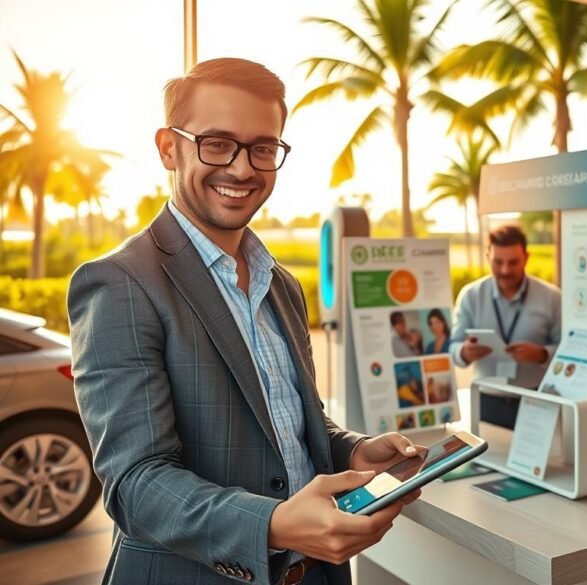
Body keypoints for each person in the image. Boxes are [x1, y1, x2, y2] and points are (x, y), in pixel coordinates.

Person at [68, 58, 422, 585]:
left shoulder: (280, 284)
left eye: (262, 147)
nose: (242, 168)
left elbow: (291, 424)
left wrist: (353, 448)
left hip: (317, 574)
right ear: (169, 147)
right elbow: (136, 485)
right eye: (216, 142)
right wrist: (275, 525)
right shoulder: (120, 283)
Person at [450, 225, 561, 429]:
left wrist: (542, 354)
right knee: (486, 460)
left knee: (537, 462)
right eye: (498, 262)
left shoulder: (552, 297)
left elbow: (566, 351)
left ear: (526, 257)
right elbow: (452, 347)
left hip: (537, 400)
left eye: (513, 262)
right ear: (487, 256)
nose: (505, 270)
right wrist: (464, 352)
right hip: (486, 400)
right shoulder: (471, 296)